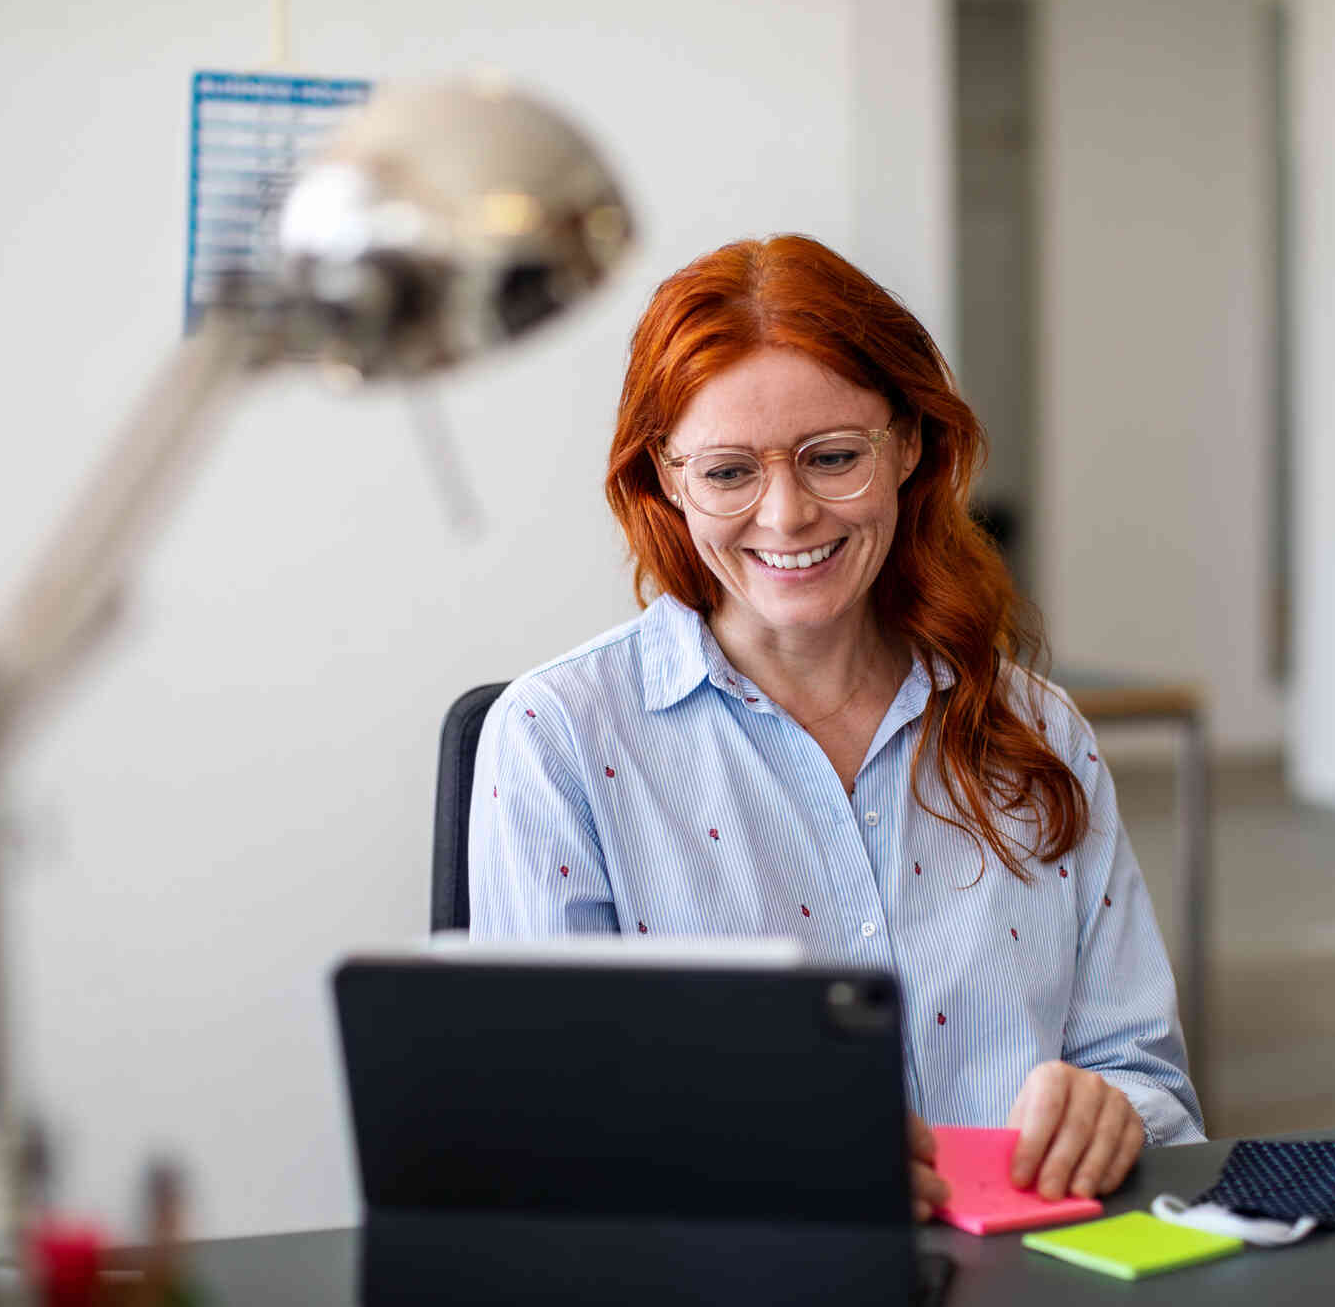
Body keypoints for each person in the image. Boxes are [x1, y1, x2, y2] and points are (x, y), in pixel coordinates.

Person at [469, 235, 1203, 1220]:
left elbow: (1147, 1079)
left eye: (832, 457)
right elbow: (540, 1140)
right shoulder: (557, 741)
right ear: (666, 480)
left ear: (907, 447)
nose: (787, 514)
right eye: (730, 472)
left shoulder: (1040, 730)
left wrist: (1115, 1110)